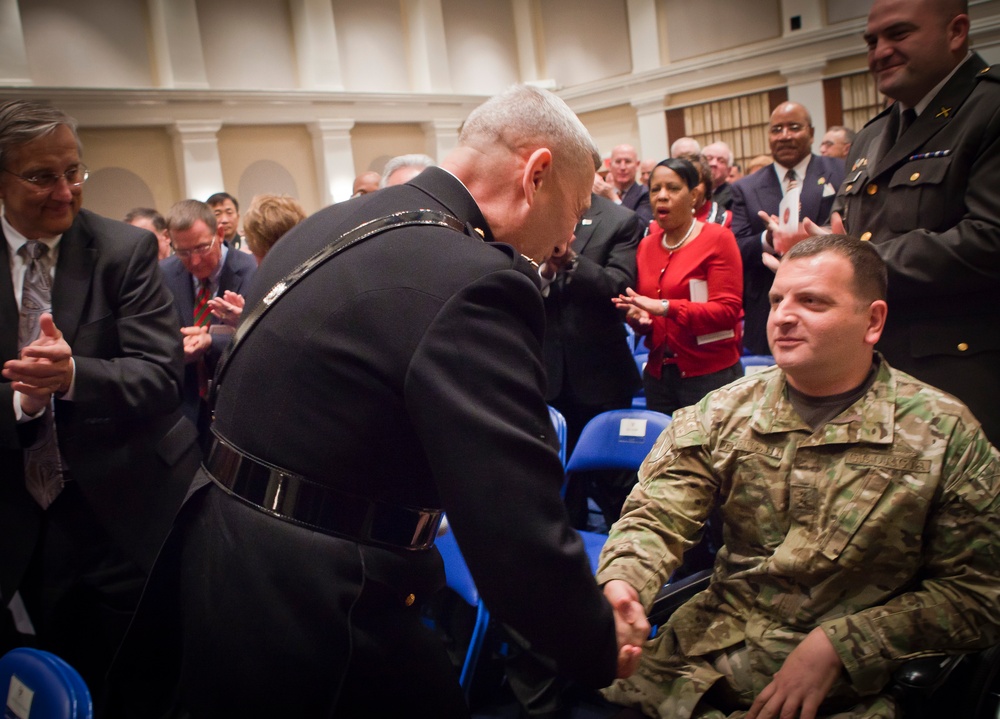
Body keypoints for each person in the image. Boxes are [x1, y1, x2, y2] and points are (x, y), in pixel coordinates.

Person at [108, 84, 647, 718]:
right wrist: (593, 640)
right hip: (326, 601)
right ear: (537, 175)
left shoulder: (336, 222)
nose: (566, 244)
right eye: (576, 210)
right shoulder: (478, 279)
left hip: (224, 553)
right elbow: (509, 518)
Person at [597, 234, 1000, 719]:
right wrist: (623, 583)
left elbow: (980, 593)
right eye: (776, 300)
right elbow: (659, 514)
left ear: (872, 321)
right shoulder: (726, 410)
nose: (784, 316)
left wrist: (845, 643)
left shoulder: (941, 431)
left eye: (812, 301)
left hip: (845, 692)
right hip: (694, 665)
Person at [0, 100, 200, 704]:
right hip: (24, 519)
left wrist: (71, 377)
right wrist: (24, 404)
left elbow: (159, 375)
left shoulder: (122, 252)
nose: (65, 191)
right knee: (54, 673)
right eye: (41, 176)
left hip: (128, 508)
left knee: (146, 679)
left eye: (74, 172)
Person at [830, 0, 1000, 446]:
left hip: (964, 379)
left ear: (956, 32)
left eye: (898, 34)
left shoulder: (990, 109)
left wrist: (854, 261)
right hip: (876, 377)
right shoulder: (871, 134)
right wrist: (827, 249)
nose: (880, 52)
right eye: (871, 41)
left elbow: (991, 239)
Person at [614, 158, 743, 418]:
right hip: (659, 376)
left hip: (709, 376)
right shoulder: (646, 246)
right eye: (655, 189)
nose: (662, 196)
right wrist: (639, 319)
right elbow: (648, 319)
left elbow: (727, 311)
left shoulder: (718, 239)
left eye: (672, 188)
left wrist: (665, 308)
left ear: (694, 195)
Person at [730, 102, 845, 355]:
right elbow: (735, 248)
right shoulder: (746, 188)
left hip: (829, 301)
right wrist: (768, 239)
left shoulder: (841, 171)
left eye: (794, 127)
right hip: (769, 309)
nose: (785, 136)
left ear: (811, 133)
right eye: (777, 129)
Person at [159, 199, 256, 445]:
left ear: (220, 234)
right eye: (183, 252)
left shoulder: (250, 269)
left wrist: (210, 341)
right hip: (186, 408)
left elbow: (259, 336)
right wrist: (178, 347)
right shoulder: (164, 273)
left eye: (202, 248)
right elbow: (157, 333)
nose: (194, 261)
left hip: (238, 405)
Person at [207, 193, 307, 326]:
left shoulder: (271, 283)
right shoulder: (315, 266)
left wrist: (248, 322)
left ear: (257, 245)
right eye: (217, 213)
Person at [597, 144, 653, 227]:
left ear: (637, 165)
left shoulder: (645, 194)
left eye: (627, 161)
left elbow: (640, 226)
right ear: (610, 165)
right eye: (618, 162)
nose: (622, 167)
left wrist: (613, 198)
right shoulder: (601, 195)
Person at [688, 155, 732, 229]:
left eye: (696, 182)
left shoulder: (725, 218)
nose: (690, 188)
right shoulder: (667, 219)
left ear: (707, 184)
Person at [701, 141, 734, 209]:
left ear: (729, 170)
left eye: (721, 161)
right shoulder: (692, 190)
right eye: (709, 159)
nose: (713, 163)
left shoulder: (734, 195)